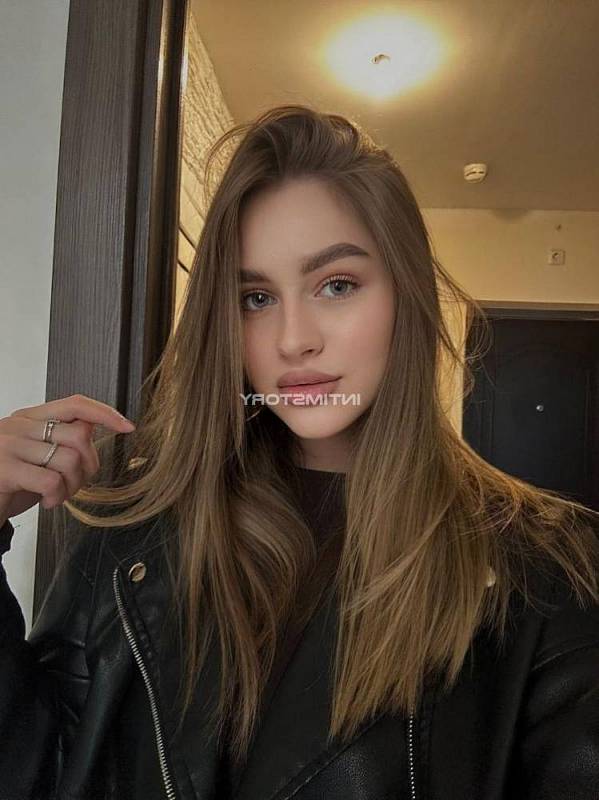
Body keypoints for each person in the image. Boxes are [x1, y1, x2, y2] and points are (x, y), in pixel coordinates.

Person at [1, 104, 599, 800]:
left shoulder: (547, 564)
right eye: (255, 297)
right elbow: (39, 771)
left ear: (407, 296)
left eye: (336, 285)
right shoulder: (135, 526)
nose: (292, 339)